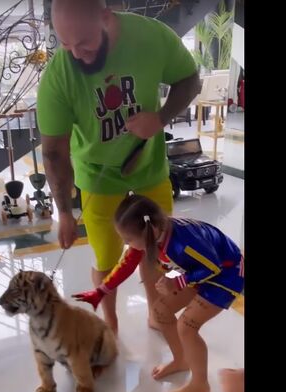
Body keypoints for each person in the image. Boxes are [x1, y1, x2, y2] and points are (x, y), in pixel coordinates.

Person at [37, 0, 201, 334]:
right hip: (96, 174)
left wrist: (160, 118)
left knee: (155, 248)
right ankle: (109, 323)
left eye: (84, 43)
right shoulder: (59, 74)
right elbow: (54, 152)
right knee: (106, 257)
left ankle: (156, 313)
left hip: (149, 166)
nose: (77, 55)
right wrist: (64, 212)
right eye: (66, 44)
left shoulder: (150, 37)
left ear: (105, 17)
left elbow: (190, 80)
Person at [72, 194, 245, 392]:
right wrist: (101, 290)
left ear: (150, 230)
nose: (126, 244)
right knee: (160, 311)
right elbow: (126, 265)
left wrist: (178, 281)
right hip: (201, 269)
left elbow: (214, 266)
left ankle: (200, 384)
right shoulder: (153, 235)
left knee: (187, 327)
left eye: (128, 240)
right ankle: (181, 360)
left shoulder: (181, 242)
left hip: (227, 274)